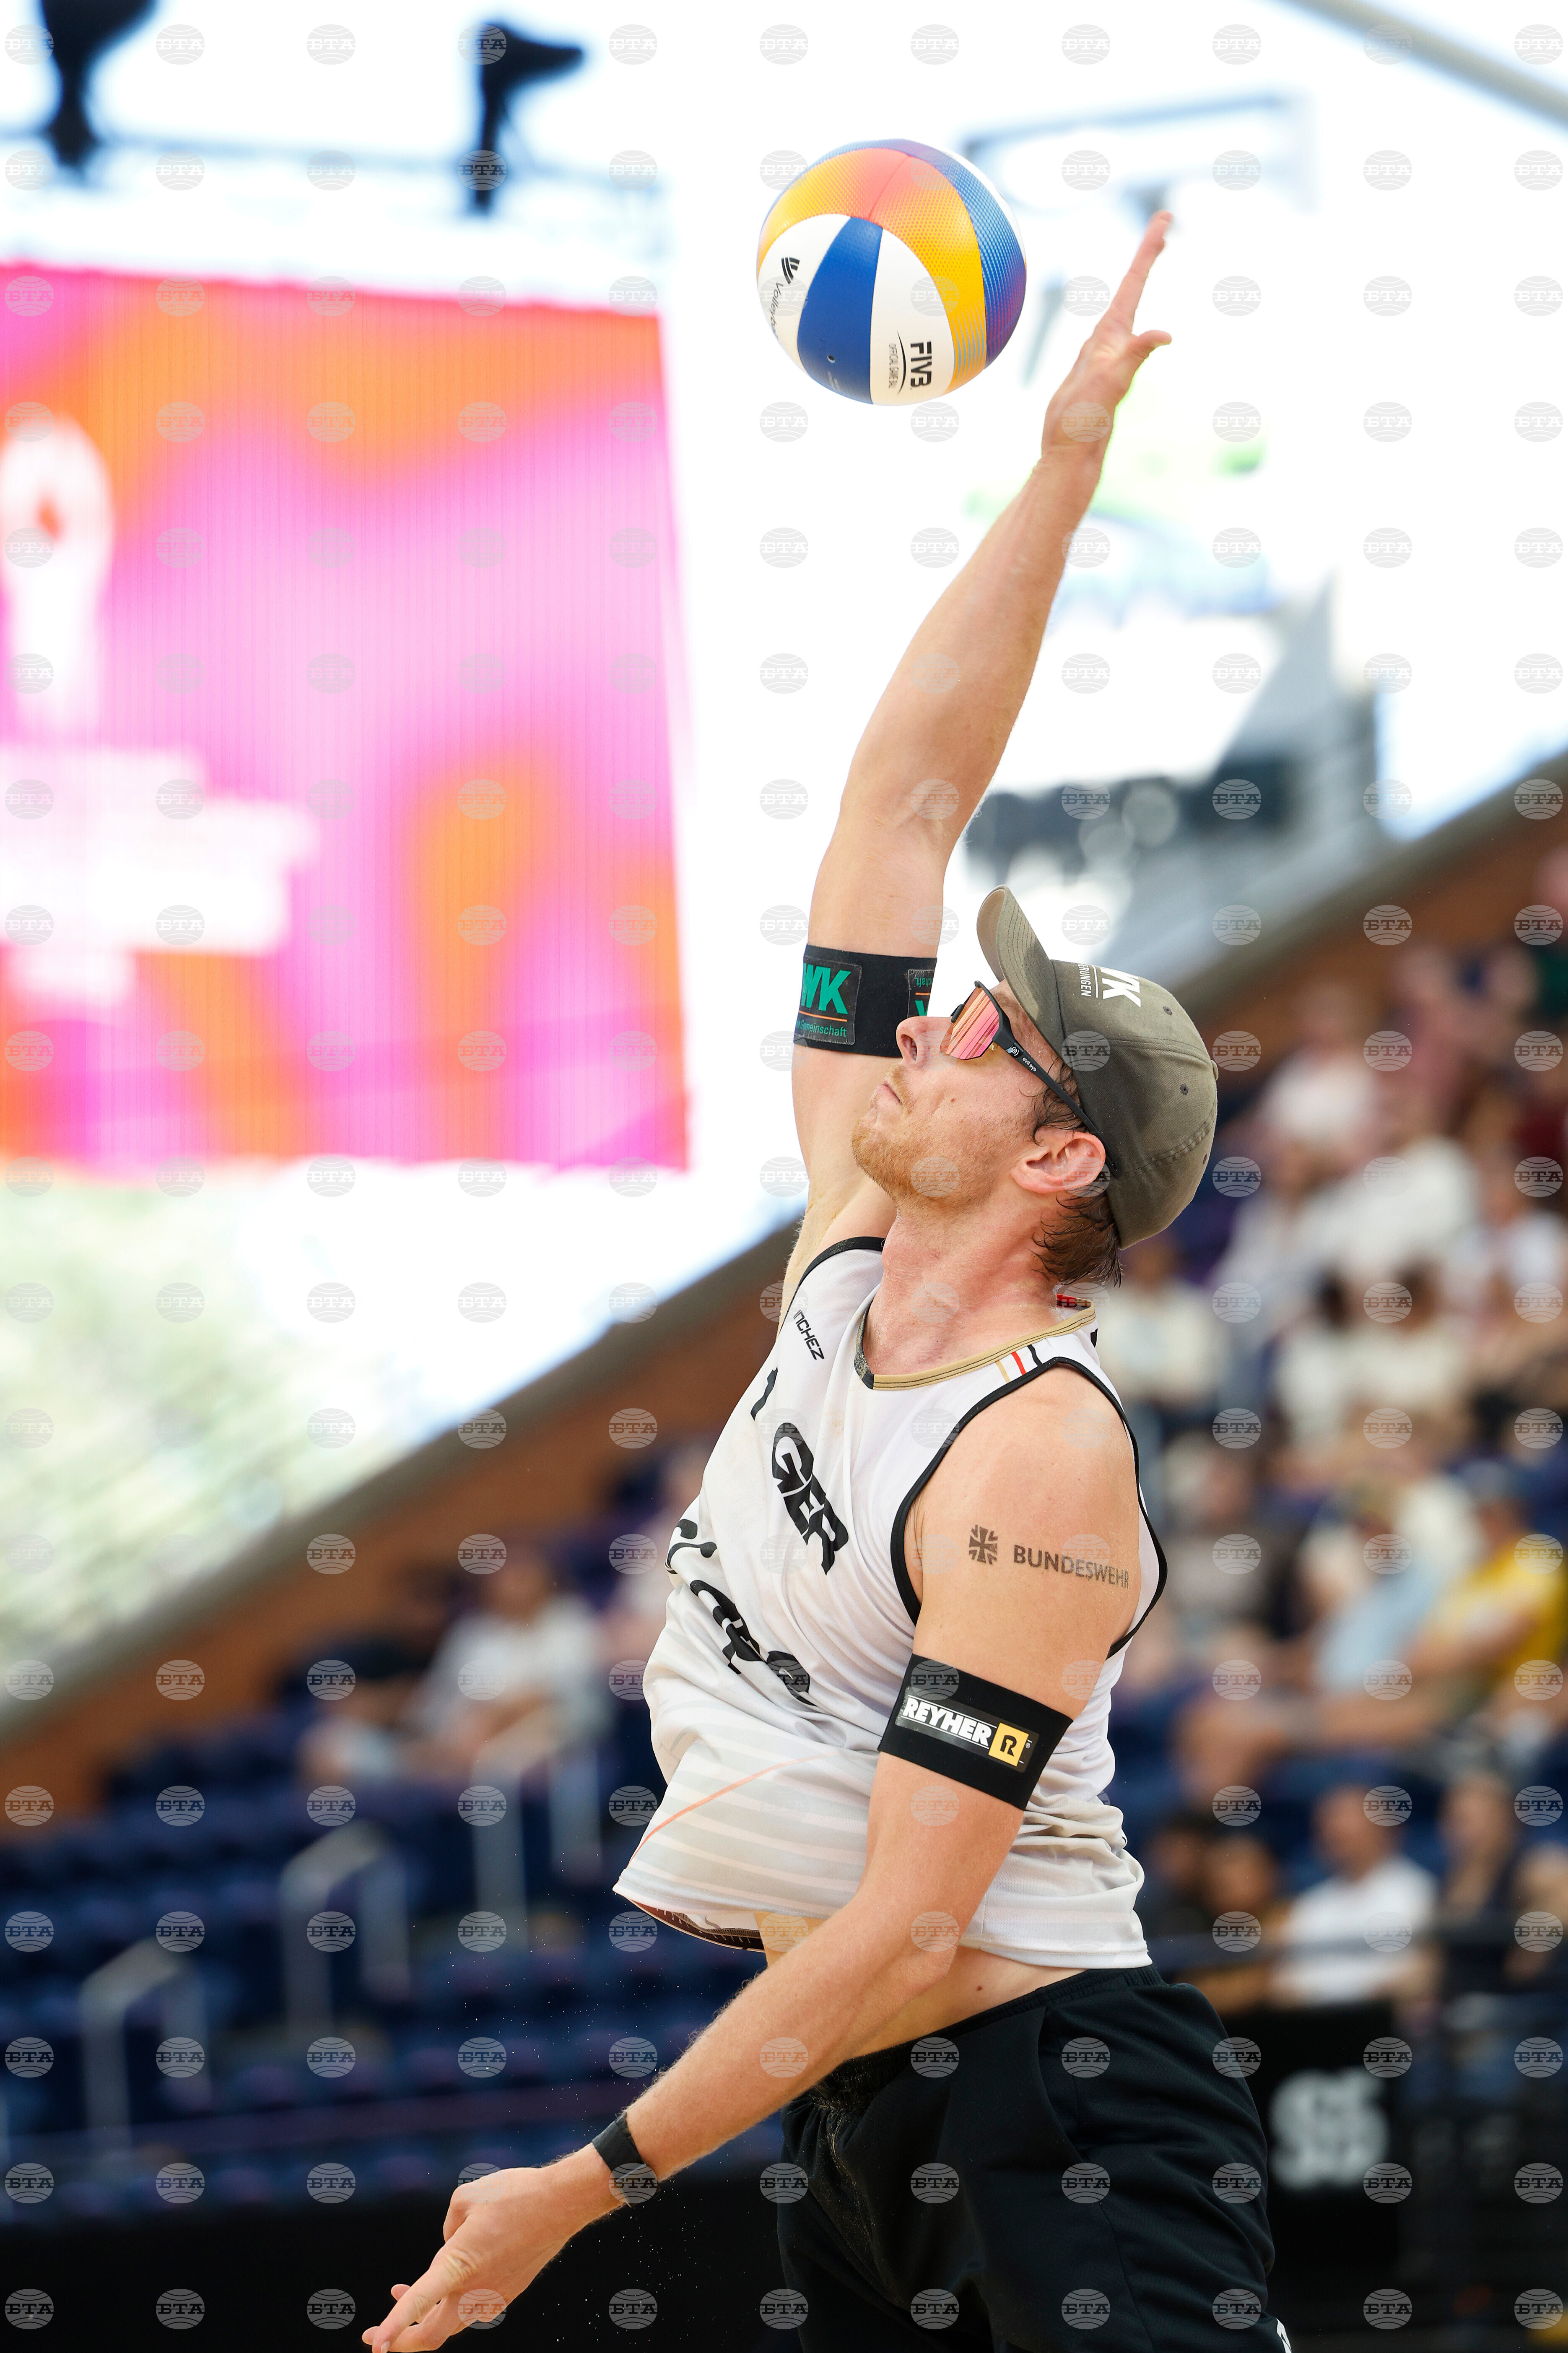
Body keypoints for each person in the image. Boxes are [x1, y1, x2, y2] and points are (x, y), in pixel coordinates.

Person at [366, 216, 1281, 2353]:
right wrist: (1060, 467)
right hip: (863, 2108)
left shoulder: (1038, 1454)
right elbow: (902, 801)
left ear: (1059, 1157)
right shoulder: (841, 1246)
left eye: (985, 1030)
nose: (932, 1020)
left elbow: (909, 1924)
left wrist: (580, 2188)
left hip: (1059, 2102)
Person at [405, 1542, 607, 1781]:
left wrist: (493, 1720)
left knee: (496, 1756)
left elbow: (561, 1692)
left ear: (544, 1577)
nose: (511, 1585)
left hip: (549, 1725)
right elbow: (434, 1700)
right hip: (464, 1733)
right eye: (502, 1577)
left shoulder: (569, 1619)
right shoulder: (470, 1632)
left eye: (521, 1576)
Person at [1272, 1783, 1436, 2008]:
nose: (1336, 1830)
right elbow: (1284, 1984)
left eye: (1348, 1820)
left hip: (1383, 2018)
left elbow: (1419, 1973)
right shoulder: (1308, 1905)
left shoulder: (1417, 1889)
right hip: (1315, 2021)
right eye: (1329, 1822)